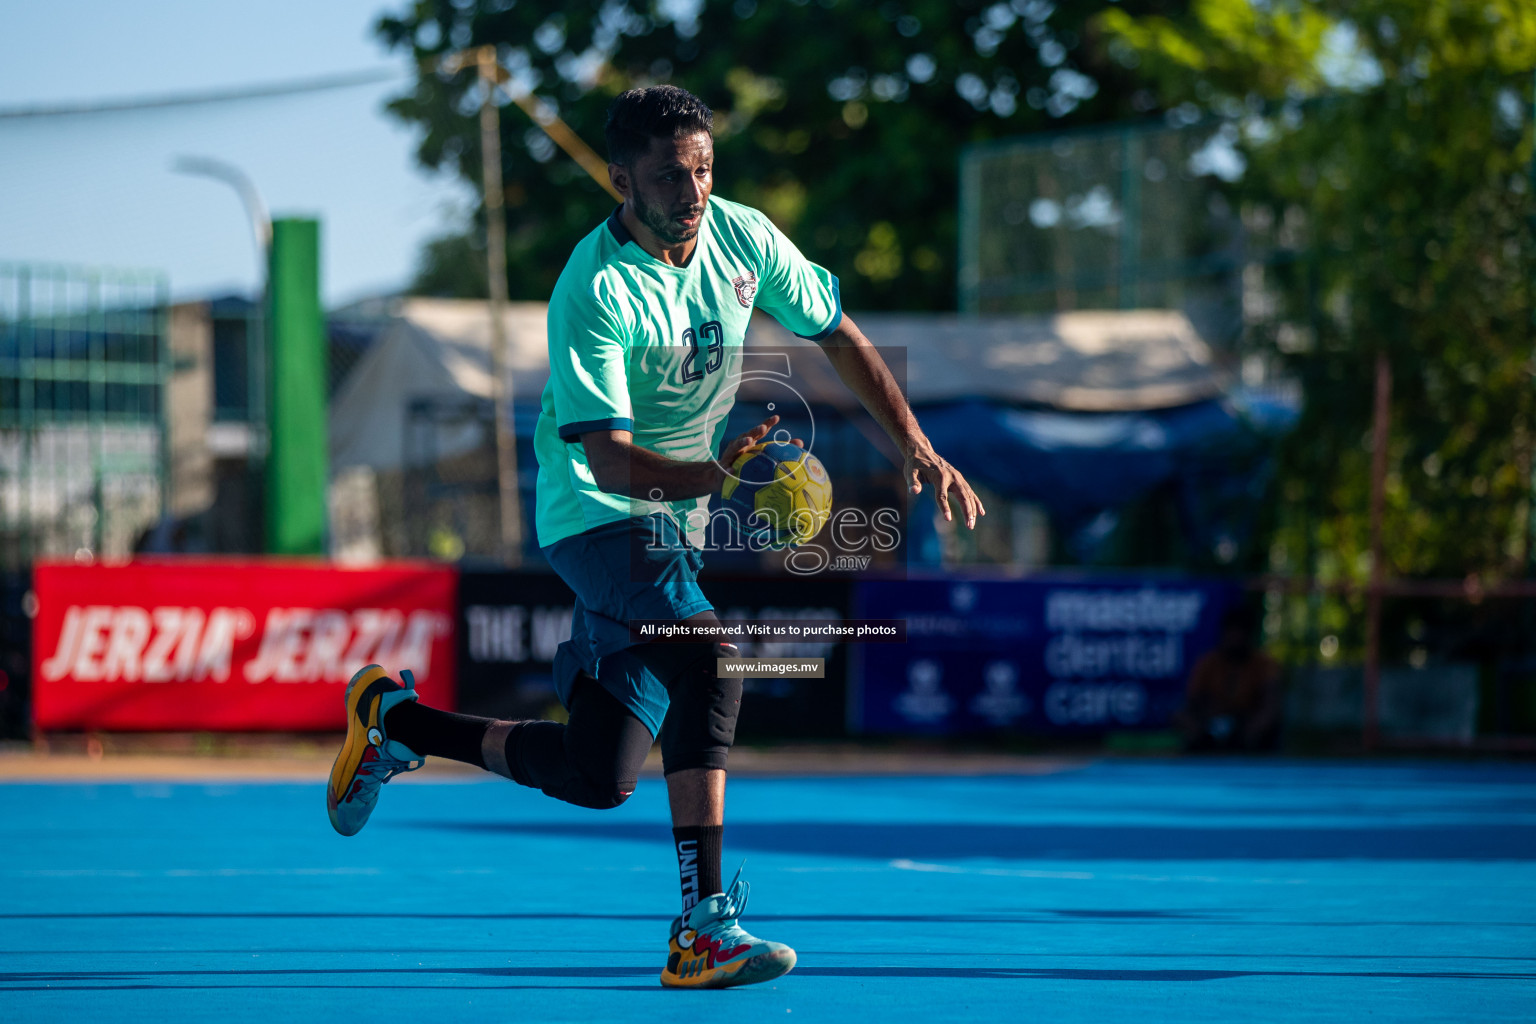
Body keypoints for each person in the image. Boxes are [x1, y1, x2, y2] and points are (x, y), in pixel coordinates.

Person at [325, 85, 984, 989]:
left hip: (677, 525)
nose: (695, 189)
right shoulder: (592, 288)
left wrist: (914, 440)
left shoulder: (744, 238)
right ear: (621, 177)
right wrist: (717, 475)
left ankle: (393, 718)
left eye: (705, 167)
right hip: (596, 516)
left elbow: (836, 330)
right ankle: (704, 929)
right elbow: (610, 459)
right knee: (711, 656)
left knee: (599, 775)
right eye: (673, 174)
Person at [1177, 605, 1282, 752]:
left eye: (1240, 633)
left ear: (1248, 635)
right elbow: (1192, 700)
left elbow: (1271, 704)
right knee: (1182, 718)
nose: (1235, 639)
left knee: (1266, 727)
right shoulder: (1208, 662)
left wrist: (1253, 728)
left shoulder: (1263, 664)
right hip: (1211, 722)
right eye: (1231, 633)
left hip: (1246, 723)